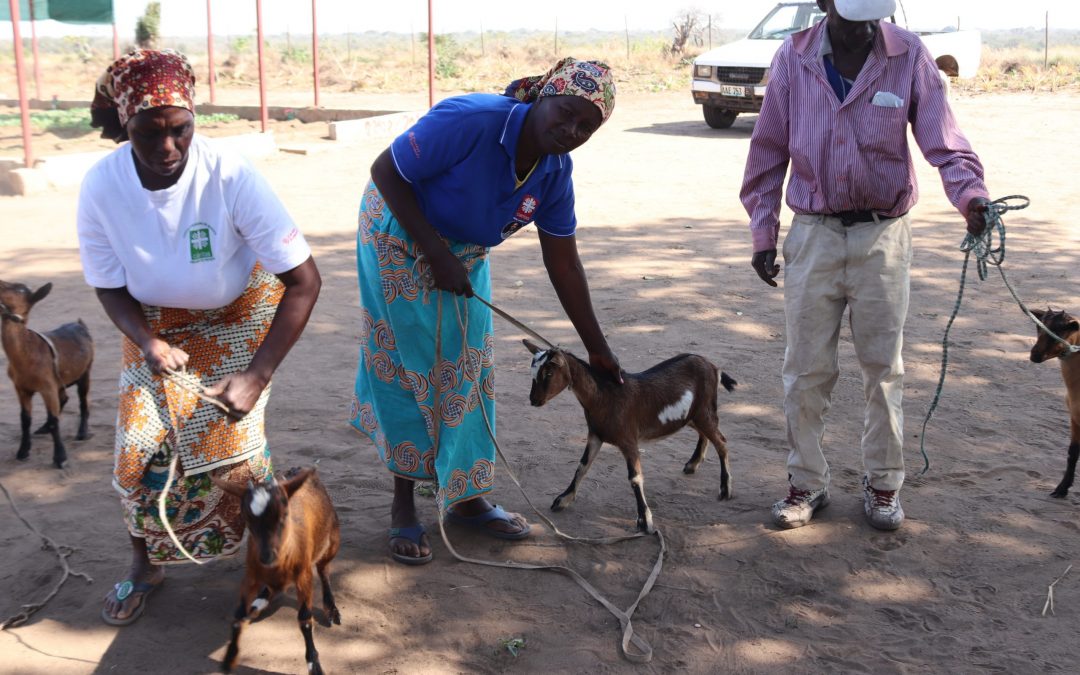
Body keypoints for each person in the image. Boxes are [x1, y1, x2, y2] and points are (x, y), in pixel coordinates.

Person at [76, 49, 321, 625]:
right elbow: (109, 287)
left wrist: (257, 375)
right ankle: (145, 565)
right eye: (148, 134)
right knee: (138, 447)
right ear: (124, 124)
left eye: (180, 131)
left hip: (238, 312)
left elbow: (304, 282)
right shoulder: (101, 187)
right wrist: (148, 340)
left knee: (236, 449)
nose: (167, 149)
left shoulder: (232, 176)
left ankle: (269, 563)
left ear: (195, 121)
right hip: (153, 322)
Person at [350, 57, 622, 565]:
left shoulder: (555, 173)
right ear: (543, 95)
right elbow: (385, 171)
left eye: (588, 126)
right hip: (396, 237)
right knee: (413, 368)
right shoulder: (472, 120)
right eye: (565, 113)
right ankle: (403, 504)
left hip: (462, 256)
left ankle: (466, 498)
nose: (571, 130)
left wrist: (597, 350)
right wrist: (434, 251)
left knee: (469, 367)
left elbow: (563, 263)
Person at [740, 0, 991, 531]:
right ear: (825, 3)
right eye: (851, 17)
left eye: (871, 17)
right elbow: (767, 150)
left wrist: (971, 197)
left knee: (884, 370)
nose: (862, 30)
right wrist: (764, 232)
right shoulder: (793, 58)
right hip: (814, 233)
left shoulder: (909, 54)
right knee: (805, 370)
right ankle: (806, 483)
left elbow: (943, 140)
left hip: (883, 235)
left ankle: (883, 485)